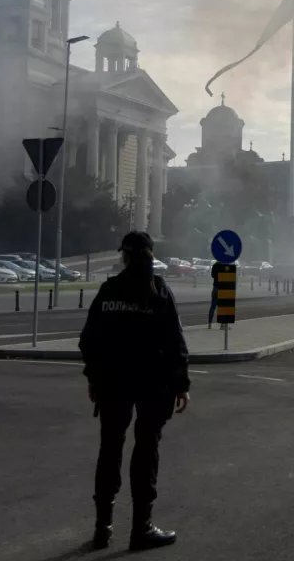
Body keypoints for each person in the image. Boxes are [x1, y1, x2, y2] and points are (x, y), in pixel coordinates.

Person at [79, 231, 191, 552]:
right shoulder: (159, 292)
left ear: (124, 257)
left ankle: (103, 528)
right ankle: (141, 528)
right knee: (146, 451)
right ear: (151, 255)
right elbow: (175, 342)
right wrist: (181, 384)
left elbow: (89, 340)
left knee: (110, 449)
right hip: (153, 385)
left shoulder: (109, 290)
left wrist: (94, 377)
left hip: (113, 383)